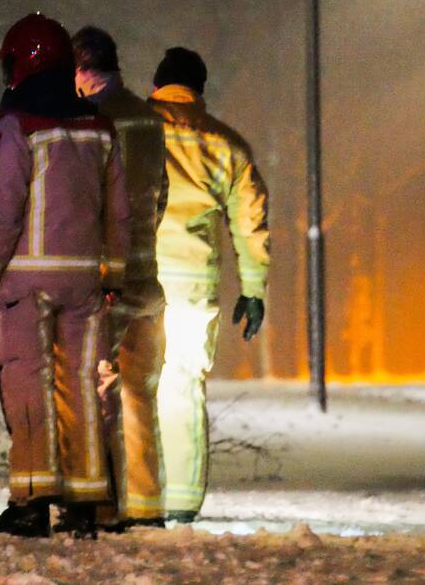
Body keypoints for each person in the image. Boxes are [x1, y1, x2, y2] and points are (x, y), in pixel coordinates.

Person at [0, 13, 130, 538]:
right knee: (79, 385)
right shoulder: (98, 128)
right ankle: (85, 502)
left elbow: (4, 210)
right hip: (84, 280)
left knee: (27, 386)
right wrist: (114, 276)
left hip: (27, 281)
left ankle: (32, 502)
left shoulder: (17, 127)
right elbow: (119, 211)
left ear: (26, 61)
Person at [150, 47, 269, 523]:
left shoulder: (133, 125)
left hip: (136, 274)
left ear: (157, 83)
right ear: (200, 91)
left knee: (126, 384)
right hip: (193, 283)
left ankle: (128, 490)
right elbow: (250, 222)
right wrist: (254, 288)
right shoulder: (228, 144)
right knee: (183, 386)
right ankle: (180, 500)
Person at [71, 26, 167, 529]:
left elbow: (86, 200)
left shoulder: (93, 121)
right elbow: (162, 194)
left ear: (84, 71)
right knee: (141, 394)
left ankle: (105, 506)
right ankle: (149, 506)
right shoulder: (149, 119)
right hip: (149, 278)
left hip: (107, 278)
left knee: (97, 390)